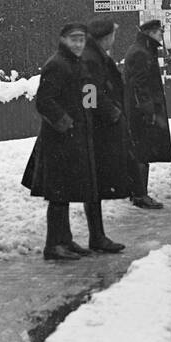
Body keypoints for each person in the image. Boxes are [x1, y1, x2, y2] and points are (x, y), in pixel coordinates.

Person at [22, 22, 125, 261]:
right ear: (63, 40)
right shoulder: (56, 65)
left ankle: (65, 240)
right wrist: (66, 123)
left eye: (81, 40)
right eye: (73, 40)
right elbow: (44, 102)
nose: (78, 44)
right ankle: (53, 245)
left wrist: (90, 118)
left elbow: (87, 95)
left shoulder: (76, 64)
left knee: (65, 191)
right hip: (59, 140)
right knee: (58, 193)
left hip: (76, 137)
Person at [81, 18, 139, 213]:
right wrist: (111, 112)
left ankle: (97, 234)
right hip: (98, 127)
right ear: (105, 37)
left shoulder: (96, 55)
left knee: (95, 181)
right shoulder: (91, 58)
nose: (114, 39)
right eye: (113, 35)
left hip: (100, 124)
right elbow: (89, 92)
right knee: (94, 182)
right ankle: (96, 235)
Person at [122, 14, 171, 209]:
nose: (162, 34)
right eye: (160, 31)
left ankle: (136, 192)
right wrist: (148, 110)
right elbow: (140, 85)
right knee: (142, 153)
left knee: (140, 152)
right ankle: (140, 194)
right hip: (141, 112)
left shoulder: (141, 50)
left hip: (138, 110)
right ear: (151, 33)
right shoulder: (142, 53)